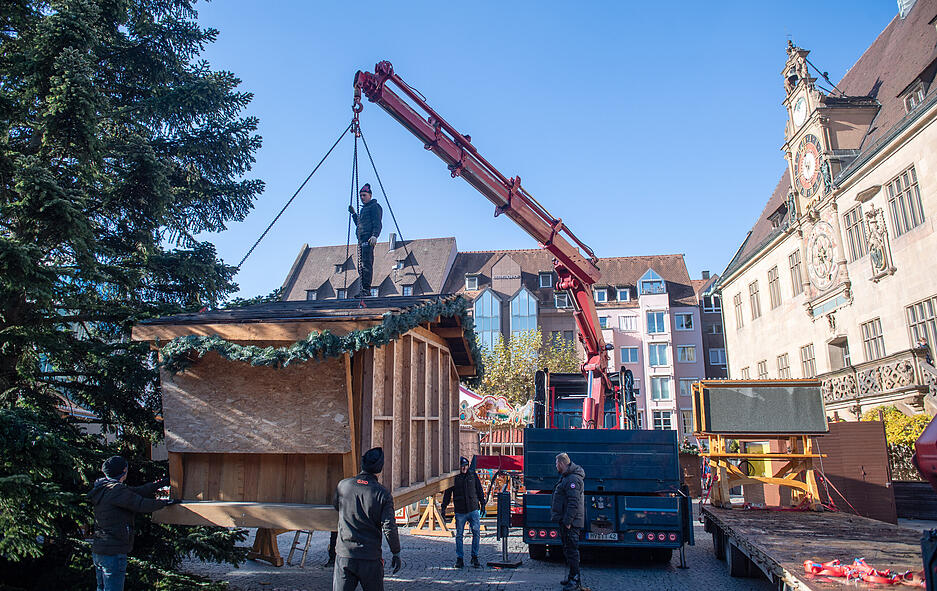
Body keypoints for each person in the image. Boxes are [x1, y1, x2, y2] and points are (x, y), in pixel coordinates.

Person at [88, 456, 176, 591]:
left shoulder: (105, 488)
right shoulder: (116, 490)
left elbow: (137, 491)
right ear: (123, 471)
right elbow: (141, 504)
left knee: (101, 588)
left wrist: (161, 483)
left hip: (101, 549)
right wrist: (165, 503)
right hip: (114, 550)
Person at [333, 447, 401, 590]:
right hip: (370, 557)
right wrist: (396, 552)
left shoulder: (343, 485)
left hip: (345, 554)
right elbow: (389, 527)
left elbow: (336, 506)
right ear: (380, 468)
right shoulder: (382, 494)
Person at [441, 456, 485, 568]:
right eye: (462, 466)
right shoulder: (454, 478)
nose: (464, 468)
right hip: (460, 510)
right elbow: (447, 494)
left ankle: (474, 556)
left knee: (476, 533)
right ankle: (459, 558)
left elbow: (479, 489)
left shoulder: (472, 475)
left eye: (465, 466)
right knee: (459, 535)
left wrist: (483, 503)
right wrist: (443, 507)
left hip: (473, 508)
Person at [551, 452, 585, 591]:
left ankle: (575, 580)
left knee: (572, 551)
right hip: (567, 520)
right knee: (568, 550)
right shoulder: (567, 478)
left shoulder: (572, 480)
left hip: (571, 522)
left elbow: (573, 502)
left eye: (556, 464)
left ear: (561, 463)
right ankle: (571, 577)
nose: (556, 466)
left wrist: (567, 521)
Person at [347, 183, 383, 295]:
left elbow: (377, 223)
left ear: (370, 195)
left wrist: (374, 235)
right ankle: (363, 288)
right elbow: (360, 225)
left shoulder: (374, 207)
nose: (362, 198)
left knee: (366, 264)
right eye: (361, 196)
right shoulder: (364, 209)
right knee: (361, 265)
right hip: (362, 240)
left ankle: (366, 289)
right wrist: (354, 214)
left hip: (368, 240)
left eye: (364, 195)